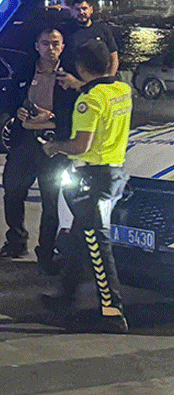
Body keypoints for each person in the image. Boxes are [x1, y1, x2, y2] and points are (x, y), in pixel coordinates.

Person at [40, 39, 132, 333]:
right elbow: (99, 92)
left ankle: (112, 311)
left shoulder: (87, 102)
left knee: (97, 242)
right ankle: (65, 296)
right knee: (81, 237)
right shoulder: (122, 91)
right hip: (114, 172)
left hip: (91, 177)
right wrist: (79, 85)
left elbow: (81, 145)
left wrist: (55, 147)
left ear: (80, 67)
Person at [0, 28, 75, 265]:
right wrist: (17, 110)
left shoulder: (70, 75)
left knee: (51, 200)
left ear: (62, 46)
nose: (50, 48)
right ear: (37, 46)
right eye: (45, 43)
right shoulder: (26, 69)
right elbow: (9, 97)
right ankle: (16, 241)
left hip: (54, 144)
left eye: (55, 43)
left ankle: (46, 251)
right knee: (12, 190)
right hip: (25, 142)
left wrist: (52, 116)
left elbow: (79, 111)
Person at [56, 0, 118, 91]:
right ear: (72, 12)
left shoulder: (103, 30)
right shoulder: (64, 31)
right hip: (71, 87)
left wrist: (108, 81)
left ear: (91, 10)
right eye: (77, 9)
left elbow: (114, 58)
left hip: (99, 87)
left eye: (84, 8)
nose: (81, 12)